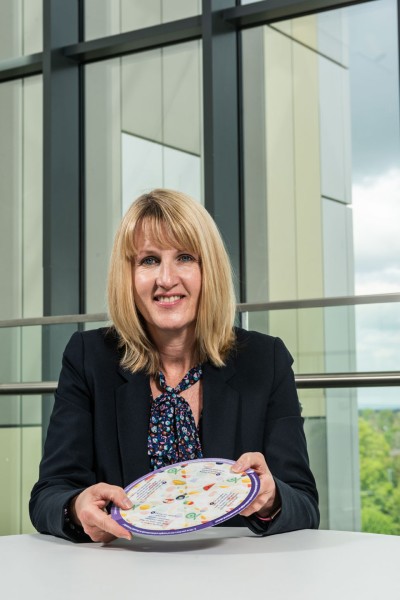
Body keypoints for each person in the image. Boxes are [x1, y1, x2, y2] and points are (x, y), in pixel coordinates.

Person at [30, 188, 319, 543]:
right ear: (129, 275)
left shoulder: (266, 359)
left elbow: (304, 503)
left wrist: (271, 498)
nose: (166, 279)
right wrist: (76, 506)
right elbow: (49, 494)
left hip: (237, 577)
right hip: (124, 573)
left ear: (208, 269)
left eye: (184, 257)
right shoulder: (89, 356)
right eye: (148, 260)